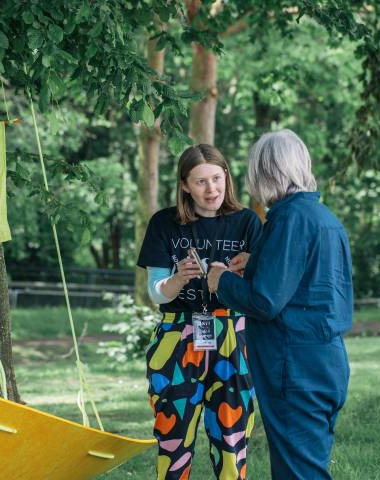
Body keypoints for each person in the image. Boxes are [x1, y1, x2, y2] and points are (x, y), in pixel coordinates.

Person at [207, 129, 353, 479]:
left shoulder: (289, 219)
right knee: (308, 466)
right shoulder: (324, 219)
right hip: (327, 363)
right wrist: (256, 260)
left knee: (297, 473)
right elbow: (306, 286)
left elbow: (265, 301)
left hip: (295, 367)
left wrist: (221, 281)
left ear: (266, 172)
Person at [137, 144, 262, 480]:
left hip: (233, 335)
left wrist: (248, 270)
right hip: (176, 336)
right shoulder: (165, 223)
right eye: (201, 181)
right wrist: (178, 278)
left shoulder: (247, 221)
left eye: (217, 179)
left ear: (227, 178)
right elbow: (155, 293)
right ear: (184, 186)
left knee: (232, 437)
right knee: (172, 436)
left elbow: (263, 287)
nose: (212, 189)